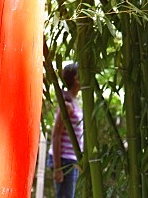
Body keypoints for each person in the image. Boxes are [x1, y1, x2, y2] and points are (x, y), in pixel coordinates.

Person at [51, 62, 84, 198]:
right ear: (76, 78)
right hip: (64, 161)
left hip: (71, 160)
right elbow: (56, 135)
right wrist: (58, 167)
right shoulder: (67, 105)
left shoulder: (73, 101)